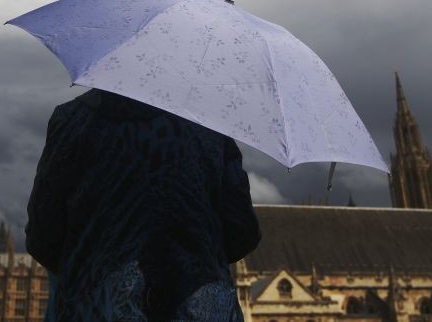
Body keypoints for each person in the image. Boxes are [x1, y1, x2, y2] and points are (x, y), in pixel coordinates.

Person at [26, 89, 262, 321]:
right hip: (198, 306)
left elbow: (42, 239)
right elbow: (243, 233)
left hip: (98, 306)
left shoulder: (71, 120)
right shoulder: (210, 125)